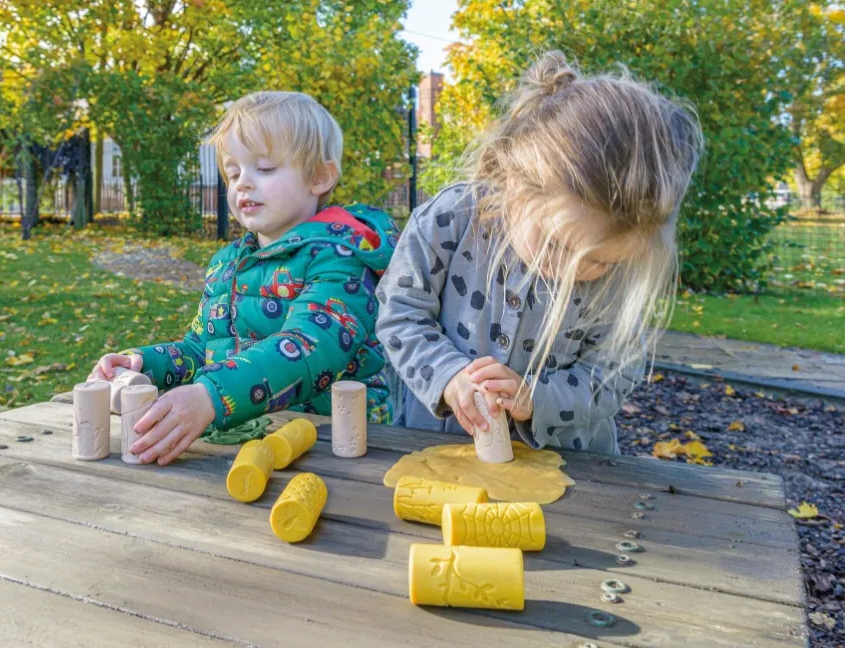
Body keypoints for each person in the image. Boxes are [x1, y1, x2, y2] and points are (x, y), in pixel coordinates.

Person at [376, 51, 703, 454]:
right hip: (442, 449)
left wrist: (536, 398)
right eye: (558, 245)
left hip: (571, 465)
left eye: (602, 261)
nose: (573, 271)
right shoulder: (450, 222)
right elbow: (399, 315)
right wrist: (449, 375)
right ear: (515, 182)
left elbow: (612, 375)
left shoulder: (620, 273)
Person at [89, 91, 397, 465]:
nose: (243, 184)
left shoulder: (340, 257)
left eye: (264, 168)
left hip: (341, 449)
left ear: (319, 177)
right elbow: (201, 349)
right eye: (233, 173)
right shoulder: (227, 264)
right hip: (247, 443)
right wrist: (144, 364)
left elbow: (309, 347)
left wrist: (210, 397)